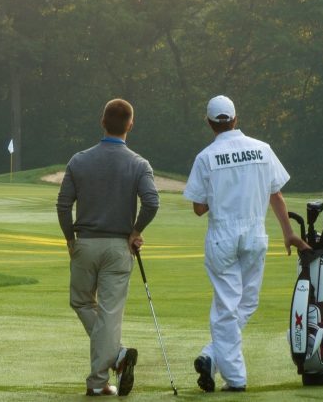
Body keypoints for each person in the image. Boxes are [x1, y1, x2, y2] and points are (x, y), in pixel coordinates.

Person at [183, 95, 309, 392]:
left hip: (223, 237)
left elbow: (199, 208)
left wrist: (223, 197)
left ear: (210, 123)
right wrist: (288, 232)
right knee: (246, 303)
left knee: (228, 307)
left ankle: (221, 365)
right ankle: (225, 368)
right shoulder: (262, 149)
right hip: (255, 235)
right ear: (236, 119)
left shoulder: (206, 157)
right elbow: (275, 193)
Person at [56, 98, 160, 396]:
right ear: (130, 125)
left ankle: (103, 377)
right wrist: (136, 231)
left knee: (81, 302)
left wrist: (69, 239)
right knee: (110, 314)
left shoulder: (78, 160)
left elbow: (63, 205)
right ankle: (115, 359)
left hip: (85, 244)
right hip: (118, 247)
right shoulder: (139, 163)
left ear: (102, 122)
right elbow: (152, 202)